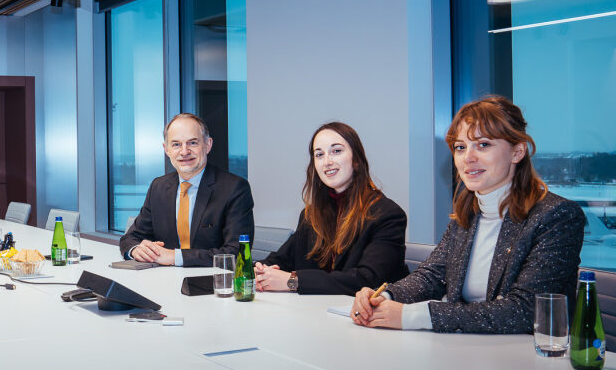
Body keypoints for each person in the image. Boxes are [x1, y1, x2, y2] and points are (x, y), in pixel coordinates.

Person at [351, 95, 584, 333]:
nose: (468, 158)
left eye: (483, 145)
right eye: (460, 147)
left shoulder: (556, 216)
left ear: (517, 152)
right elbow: (431, 277)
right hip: (470, 352)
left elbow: (525, 311)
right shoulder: (469, 214)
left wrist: (412, 316)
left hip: (528, 359)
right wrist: (385, 296)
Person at [255, 122, 407, 294]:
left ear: (356, 160)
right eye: (319, 154)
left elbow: (366, 280)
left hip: (362, 315)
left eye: (336, 151)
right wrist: (260, 271)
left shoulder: (387, 215)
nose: (327, 161)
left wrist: (293, 281)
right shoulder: (310, 215)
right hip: (314, 312)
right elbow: (282, 259)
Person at [119, 113, 254, 267]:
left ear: (208, 145)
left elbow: (237, 253)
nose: (184, 152)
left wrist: (174, 257)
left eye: (192, 143)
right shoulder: (159, 187)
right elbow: (130, 238)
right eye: (176, 144)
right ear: (166, 149)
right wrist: (137, 250)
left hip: (210, 283)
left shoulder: (234, 188)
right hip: (163, 280)